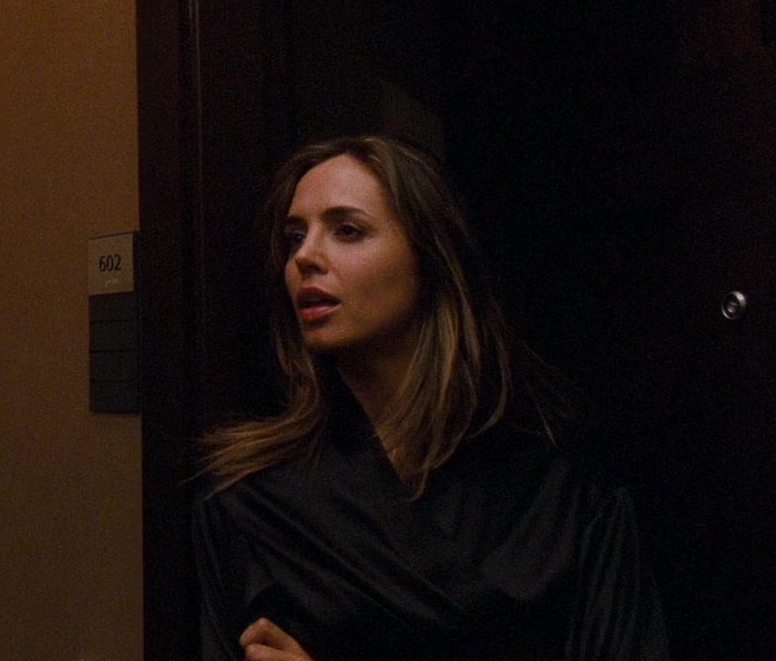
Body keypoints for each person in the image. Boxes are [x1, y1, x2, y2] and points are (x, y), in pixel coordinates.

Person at [193, 136, 668, 660]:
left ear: (432, 258)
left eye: (347, 230)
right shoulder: (253, 499)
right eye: (294, 237)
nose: (305, 257)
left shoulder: (562, 486)